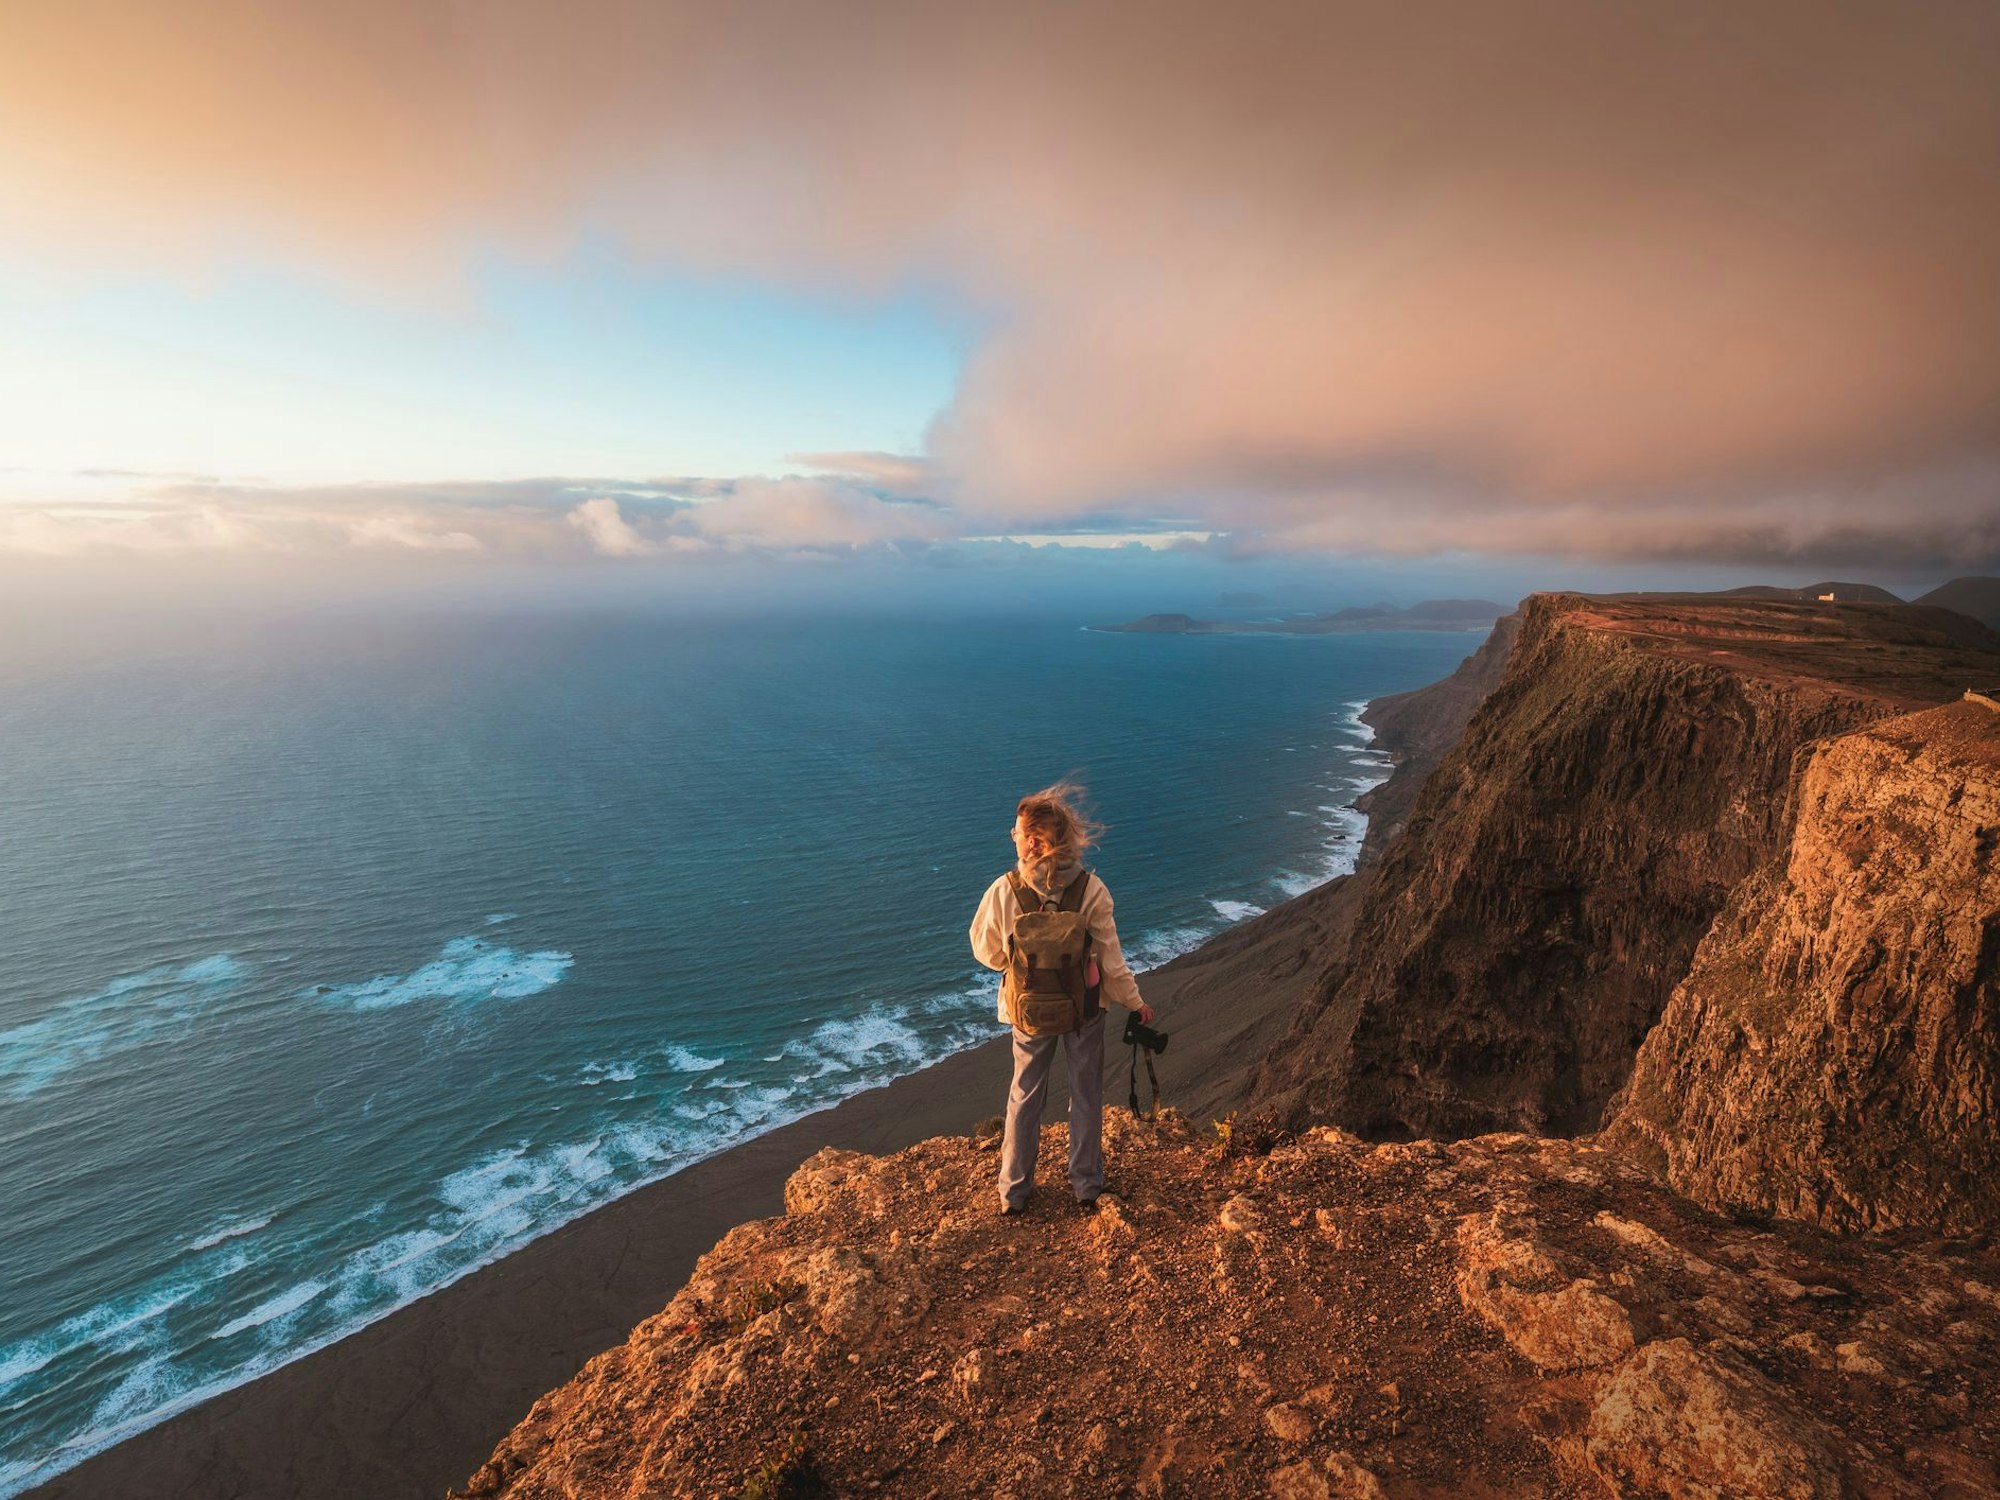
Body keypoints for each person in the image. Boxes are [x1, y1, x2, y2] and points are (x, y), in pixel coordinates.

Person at [969, 781, 1156, 1215]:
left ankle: (1014, 1190)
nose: (1013, 837)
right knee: (1086, 1093)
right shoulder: (1092, 889)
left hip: (1028, 1009)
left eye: (1016, 832)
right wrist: (1135, 1003)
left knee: (1025, 1094)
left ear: (1033, 842)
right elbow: (1111, 962)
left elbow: (986, 951)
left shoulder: (1005, 890)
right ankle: (1086, 1183)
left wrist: (1018, 961)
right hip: (1083, 1010)